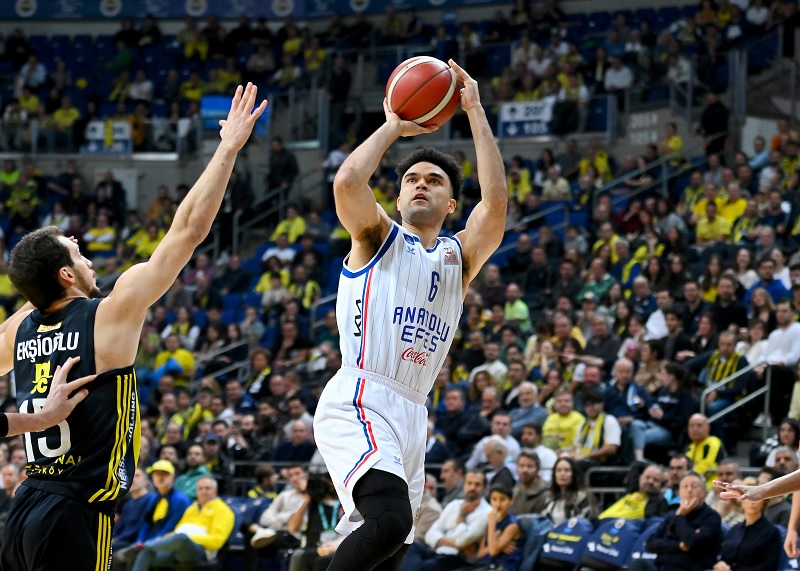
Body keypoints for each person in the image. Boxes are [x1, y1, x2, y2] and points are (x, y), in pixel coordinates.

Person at [0, 84, 266, 571]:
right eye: (77, 254)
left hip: (23, 511)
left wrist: (30, 422)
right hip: (74, 509)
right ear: (65, 274)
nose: (87, 259)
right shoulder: (108, 314)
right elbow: (187, 231)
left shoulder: (14, 331)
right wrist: (227, 148)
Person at [313, 59, 507, 571]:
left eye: (435, 182)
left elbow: (496, 205)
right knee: (390, 521)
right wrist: (394, 126)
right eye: (413, 179)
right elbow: (348, 182)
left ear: (449, 206)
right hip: (361, 394)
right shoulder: (377, 237)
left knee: (391, 548)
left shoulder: (457, 257)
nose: (422, 184)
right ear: (398, 197)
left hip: (412, 412)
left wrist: (475, 110)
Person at [130, 476, 235, 570]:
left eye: (207, 488)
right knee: (147, 553)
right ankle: (145, 548)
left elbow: (217, 541)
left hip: (202, 552)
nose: (203, 491)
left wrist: (189, 537)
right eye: (200, 488)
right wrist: (172, 536)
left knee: (182, 537)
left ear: (215, 491)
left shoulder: (224, 511)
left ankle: (144, 545)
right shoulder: (192, 508)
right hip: (178, 549)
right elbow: (178, 530)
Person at [714, 476, 781, 571]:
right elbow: (724, 556)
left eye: (756, 497)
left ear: (764, 501)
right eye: (748, 497)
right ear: (740, 500)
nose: (752, 502)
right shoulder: (734, 530)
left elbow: (770, 566)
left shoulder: (772, 532)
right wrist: (721, 563)